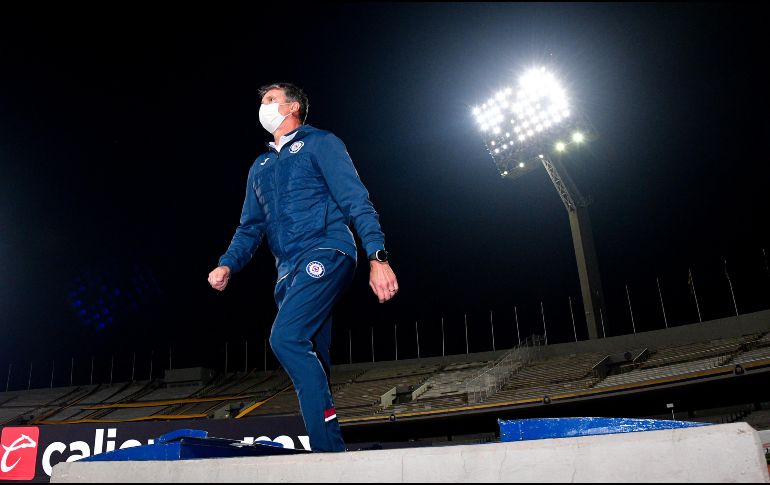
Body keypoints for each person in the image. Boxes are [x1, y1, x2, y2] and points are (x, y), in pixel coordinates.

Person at [207, 82, 398, 452]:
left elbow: (356, 199)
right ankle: (332, 455)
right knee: (313, 359)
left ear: (292, 107)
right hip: (288, 273)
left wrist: (377, 257)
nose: (263, 106)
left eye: (271, 100)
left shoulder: (321, 143)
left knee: (286, 338)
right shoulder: (260, 166)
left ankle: (327, 449)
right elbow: (250, 227)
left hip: (327, 251)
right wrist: (228, 264)